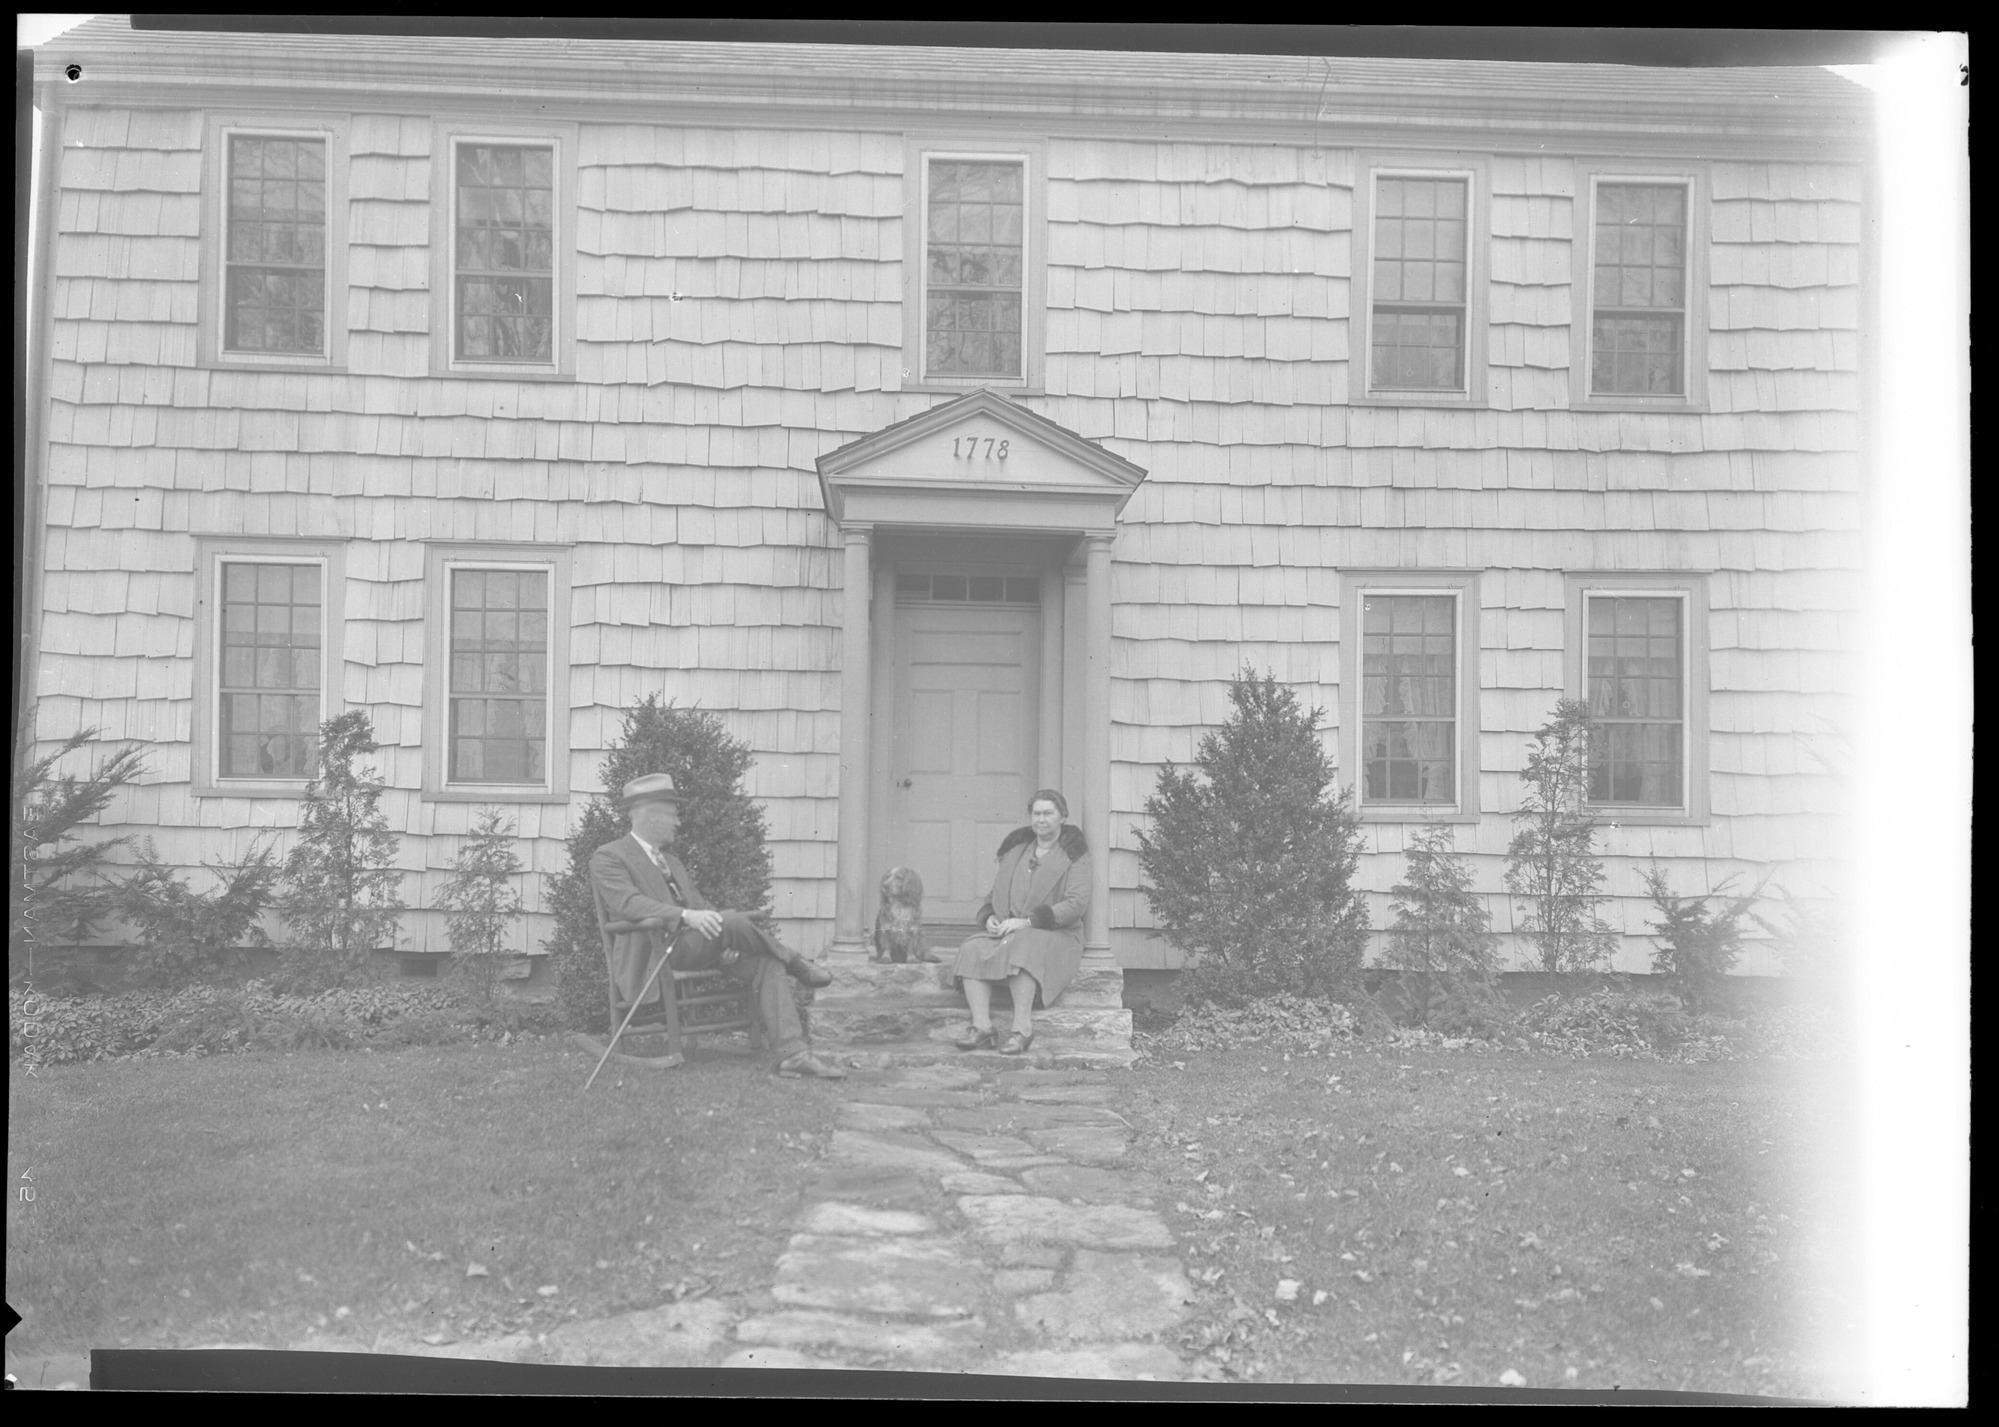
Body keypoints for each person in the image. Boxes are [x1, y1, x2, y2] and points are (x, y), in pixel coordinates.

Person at [590, 772, 846, 1079]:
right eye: (673, 815)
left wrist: (726, 939)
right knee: (732, 921)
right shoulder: (610, 856)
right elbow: (627, 903)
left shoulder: (672, 862)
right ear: (651, 815)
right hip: (654, 953)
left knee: (767, 962)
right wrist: (686, 916)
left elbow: (702, 908)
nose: (678, 823)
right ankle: (795, 960)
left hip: (696, 945)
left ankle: (792, 1054)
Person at [950, 789, 1091, 1055]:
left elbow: (1076, 904)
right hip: (1010, 929)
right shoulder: (1017, 850)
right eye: (1036, 813)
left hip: (1056, 933)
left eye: (1048, 813)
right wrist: (991, 917)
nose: (1041, 819)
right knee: (971, 948)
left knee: (1024, 945)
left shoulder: (1074, 855)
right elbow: (995, 893)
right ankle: (982, 1028)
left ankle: (1022, 1029)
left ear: (1062, 817)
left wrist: (1028, 922)